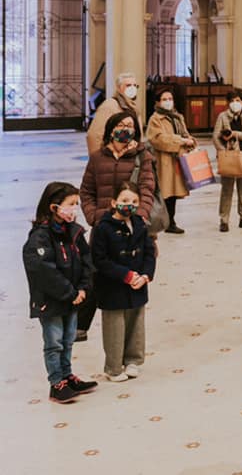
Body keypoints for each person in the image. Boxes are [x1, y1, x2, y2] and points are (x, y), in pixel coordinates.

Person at [78, 111, 156, 342]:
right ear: (111, 129)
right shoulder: (97, 157)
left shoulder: (142, 156)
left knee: (130, 271)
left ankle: (130, 333)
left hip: (132, 225)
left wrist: (140, 216)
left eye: (130, 125)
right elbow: (86, 191)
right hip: (104, 225)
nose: (125, 129)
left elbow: (147, 188)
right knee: (95, 272)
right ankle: (81, 325)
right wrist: (94, 216)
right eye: (120, 125)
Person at [22, 182, 98, 403]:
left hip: (74, 297)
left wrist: (83, 288)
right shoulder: (40, 238)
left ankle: (67, 375)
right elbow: (44, 272)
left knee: (68, 339)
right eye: (70, 204)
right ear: (54, 207)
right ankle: (57, 383)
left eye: (76, 204)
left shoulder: (74, 232)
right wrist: (69, 292)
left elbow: (87, 260)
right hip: (52, 302)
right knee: (54, 342)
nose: (74, 209)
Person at [90, 181, 157, 382]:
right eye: (125, 200)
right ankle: (113, 366)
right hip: (113, 284)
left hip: (138, 281)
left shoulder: (140, 224)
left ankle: (133, 360)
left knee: (136, 322)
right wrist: (125, 275)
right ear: (113, 202)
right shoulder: (103, 227)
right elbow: (100, 259)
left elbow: (149, 252)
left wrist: (145, 275)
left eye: (134, 201)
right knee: (115, 325)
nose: (129, 205)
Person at [145, 86, 197, 234]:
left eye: (170, 99)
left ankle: (171, 222)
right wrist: (180, 141)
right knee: (164, 192)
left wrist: (190, 140)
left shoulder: (178, 117)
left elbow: (185, 133)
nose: (168, 102)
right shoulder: (155, 119)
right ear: (158, 102)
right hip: (164, 161)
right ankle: (163, 221)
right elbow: (157, 139)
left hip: (178, 160)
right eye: (164, 99)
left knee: (173, 193)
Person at [213, 88, 242, 232]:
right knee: (226, 189)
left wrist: (236, 134)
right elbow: (215, 136)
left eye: (237, 100)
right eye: (232, 101)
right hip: (229, 157)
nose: (235, 103)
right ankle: (224, 219)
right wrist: (221, 150)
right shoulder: (223, 116)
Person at [87, 72, 142, 155]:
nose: (132, 88)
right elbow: (94, 136)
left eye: (135, 86)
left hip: (129, 156)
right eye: (128, 85)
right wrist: (98, 159)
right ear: (119, 88)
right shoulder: (110, 105)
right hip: (114, 158)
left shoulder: (133, 107)